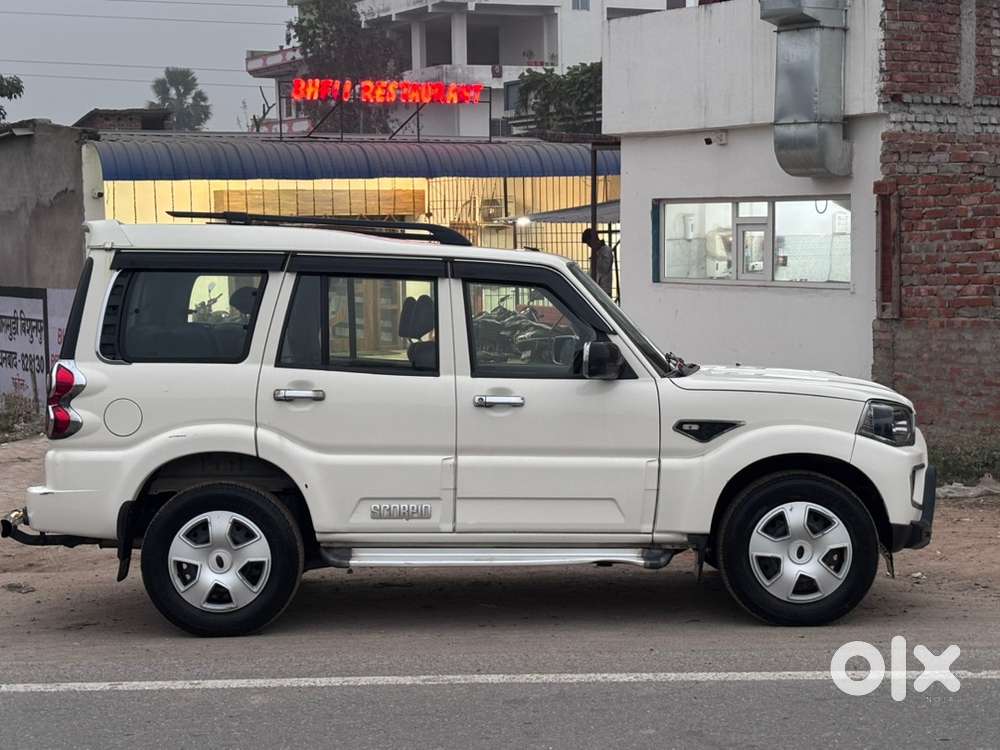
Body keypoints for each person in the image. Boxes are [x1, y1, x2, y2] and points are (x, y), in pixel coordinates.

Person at [582, 228, 615, 298]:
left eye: (588, 242)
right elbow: (593, 271)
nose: (589, 245)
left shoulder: (606, 250)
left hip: (604, 290)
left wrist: (596, 254)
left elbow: (604, 269)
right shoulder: (597, 251)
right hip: (597, 289)